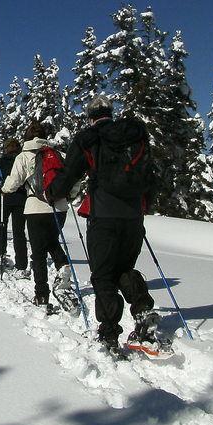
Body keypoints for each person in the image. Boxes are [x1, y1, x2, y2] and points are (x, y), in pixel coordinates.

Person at [46, 94, 159, 356]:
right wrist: (144, 205)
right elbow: (150, 175)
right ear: (111, 111)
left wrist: (53, 193)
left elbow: (70, 173)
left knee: (103, 275)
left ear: (91, 116)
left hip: (103, 215)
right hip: (133, 216)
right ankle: (143, 312)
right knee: (125, 268)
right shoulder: (133, 136)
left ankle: (108, 332)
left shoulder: (89, 138)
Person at [1, 121, 73, 312]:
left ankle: (42, 295)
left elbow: (14, 182)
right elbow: (73, 179)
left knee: (38, 253)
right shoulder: (58, 154)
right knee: (51, 241)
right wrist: (69, 196)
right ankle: (63, 264)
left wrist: (4, 189)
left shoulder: (24, 156)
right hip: (59, 208)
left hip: (35, 208)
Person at [0, 139, 29, 277]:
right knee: (19, 231)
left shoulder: (1, 161)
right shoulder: (23, 160)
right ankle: (21, 265)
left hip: (4, 198)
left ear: (6, 148)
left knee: (1, 225)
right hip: (21, 198)